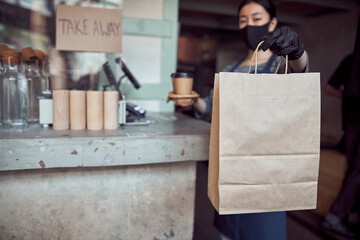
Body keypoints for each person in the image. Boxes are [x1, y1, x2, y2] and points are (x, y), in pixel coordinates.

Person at [191, 0, 309, 239]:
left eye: (256, 19)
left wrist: (297, 51)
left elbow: (301, 71)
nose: (249, 26)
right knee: (229, 233)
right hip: (231, 170)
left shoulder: (280, 65)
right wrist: (194, 101)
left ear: (272, 23)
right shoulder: (229, 70)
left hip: (267, 172)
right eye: (243, 21)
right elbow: (212, 109)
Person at [322, 17, 360, 238]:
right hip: (355, 120)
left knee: (353, 170)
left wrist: (347, 97)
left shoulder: (351, 59)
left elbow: (328, 88)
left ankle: (346, 215)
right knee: (357, 171)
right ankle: (336, 216)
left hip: (350, 120)